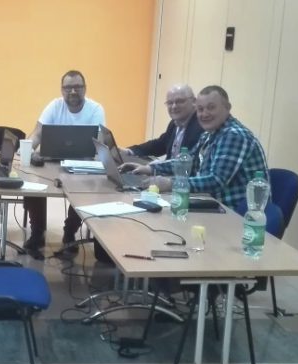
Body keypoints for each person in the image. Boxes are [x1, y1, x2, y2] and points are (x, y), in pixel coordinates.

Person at [121, 85, 268, 208]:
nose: (204, 114)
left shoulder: (234, 135)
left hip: (234, 214)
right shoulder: (210, 134)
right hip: (210, 203)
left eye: (211, 108)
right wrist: (149, 168)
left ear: (227, 108)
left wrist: (170, 183)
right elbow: (187, 161)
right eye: (200, 109)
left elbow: (216, 181)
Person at [22, 70, 106, 255]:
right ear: (62, 90)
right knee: (32, 185)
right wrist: (28, 151)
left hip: (82, 165)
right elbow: (37, 133)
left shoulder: (95, 109)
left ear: (85, 89)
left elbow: (99, 142)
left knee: (83, 191)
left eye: (77, 87)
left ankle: (69, 232)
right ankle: (37, 232)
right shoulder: (54, 106)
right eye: (68, 88)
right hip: (51, 162)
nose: (73, 92)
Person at [119, 84, 203, 160]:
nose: (174, 106)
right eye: (170, 103)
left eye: (179, 101)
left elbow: (188, 163)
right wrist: (129, 151)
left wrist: (152, 168)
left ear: (194, 102)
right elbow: (159, 144)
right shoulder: (173, 124)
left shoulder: (201, 126)